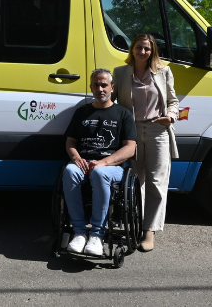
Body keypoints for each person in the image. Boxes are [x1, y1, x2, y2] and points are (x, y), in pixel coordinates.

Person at [112, 33, 179, 252]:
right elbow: (112, 102)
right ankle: (138, 224)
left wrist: (170, 116)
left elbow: (173, 101)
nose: (143, 52)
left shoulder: (163, 71)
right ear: (132, 49)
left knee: (156, 181)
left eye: (147, 49)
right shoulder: (121, 73)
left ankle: (149, 231)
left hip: (157, 129)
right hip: (131, 131)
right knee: (136, 181)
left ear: (152, 51)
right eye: (139, 47)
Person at [62, 68, 137, 257]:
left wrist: (103, 162)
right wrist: (77, 158)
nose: (100, 88)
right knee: (70, 171)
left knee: (98, 173)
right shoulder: (82, 112)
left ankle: (96, 235)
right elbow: (70, 142)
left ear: (112, 87)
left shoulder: (123, 114)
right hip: (84, 161)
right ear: (90, 87)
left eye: (104, 85)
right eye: (96, 85)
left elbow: (130, 148)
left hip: (112, 167)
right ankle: (79, 232)